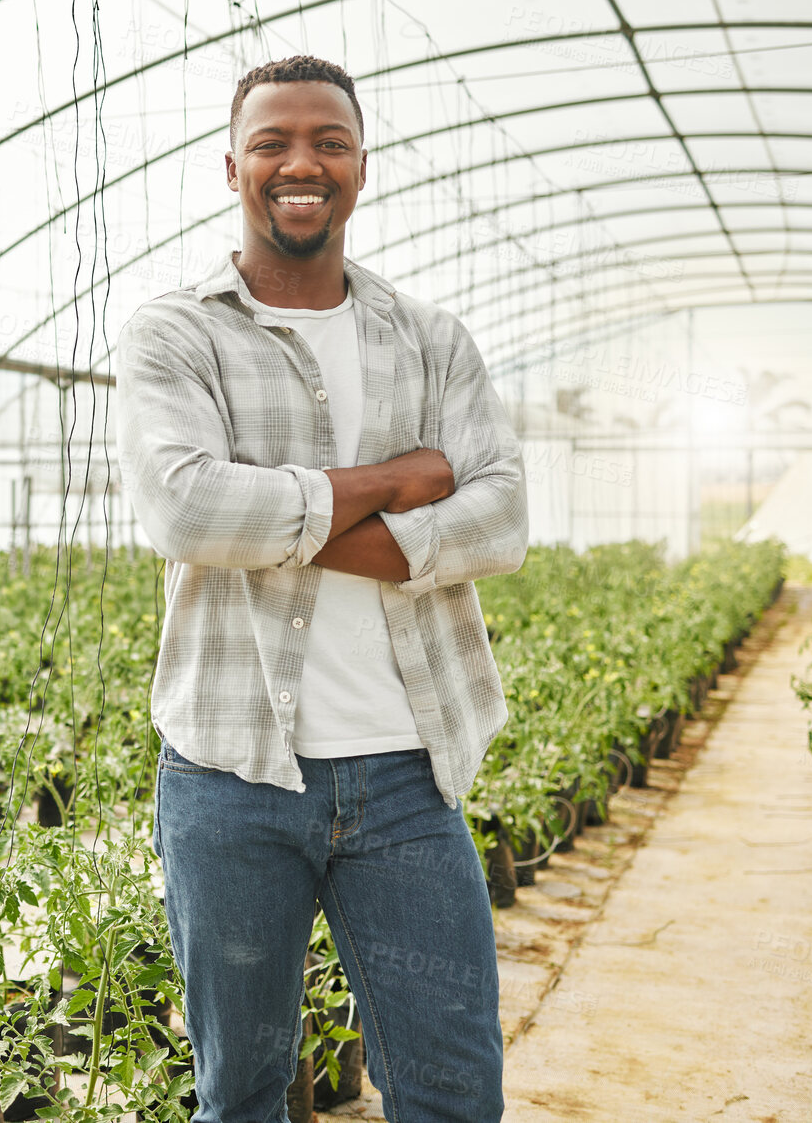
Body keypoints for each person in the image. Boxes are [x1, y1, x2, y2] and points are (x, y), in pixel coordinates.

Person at [115, 55, 527, 1123]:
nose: (301, 163)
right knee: (241, 1093)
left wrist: (276, 519)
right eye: (273, 143)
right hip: (230, 771)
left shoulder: (431, 342)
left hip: (404, 773)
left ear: (359, 168)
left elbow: (499, 518)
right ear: (233, 167)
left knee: (452, 1088)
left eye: (328, 143)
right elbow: (186, 511)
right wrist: (397, 485)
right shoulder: (176, 333)